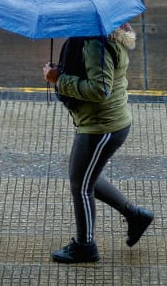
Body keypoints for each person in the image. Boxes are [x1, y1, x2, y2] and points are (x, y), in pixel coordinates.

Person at [42, 22, 154, 264]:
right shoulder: (103, 34)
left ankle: (85, 246)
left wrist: (59, 78)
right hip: (103, 122)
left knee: (80, 186)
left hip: (102, 126)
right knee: (83, 178)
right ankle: (135, 216)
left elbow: (99, 89)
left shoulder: (95, 44)